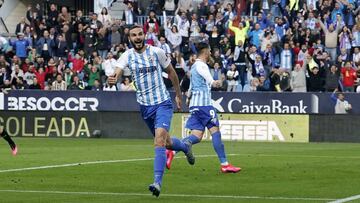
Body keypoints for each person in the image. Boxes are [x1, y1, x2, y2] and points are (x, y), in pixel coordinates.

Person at [108, 25, 193, 197]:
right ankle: (185, 146)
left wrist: (178, 95)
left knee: (159, 141)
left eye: (140, 34)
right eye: (134, 35)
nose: (138, 37)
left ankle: (157, 183)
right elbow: (117, 71)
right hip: (145, 107)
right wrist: (113, 78)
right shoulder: (128, 55)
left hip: (162, 103)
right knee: (167, 142)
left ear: (144, 35)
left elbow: (172, 73)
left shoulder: (157, 52)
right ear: (130, 38)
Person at [165, 43, 241, 173]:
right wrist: (217, 81)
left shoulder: (194, 66)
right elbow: (211, 81)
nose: (210, 53)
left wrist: (188, 98)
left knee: (197, 135)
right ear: (205, 52)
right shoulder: (202, 65)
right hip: (204, 105)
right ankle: (225, 164)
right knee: (215, 132)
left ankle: (172, 151)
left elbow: (191, 87)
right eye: (210, 51)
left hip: (195, 105)